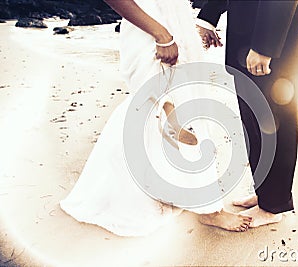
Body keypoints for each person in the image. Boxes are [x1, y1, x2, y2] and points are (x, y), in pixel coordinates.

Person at [60, 0, 252, 236]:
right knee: (160, 109)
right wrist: (161, 34)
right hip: (154, 31)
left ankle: (160, 189)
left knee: (167, 110)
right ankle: (208, 209)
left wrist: (197, 23)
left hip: (173, 25)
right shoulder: (159, 32)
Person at [197, 0, 298, 227]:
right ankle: (267, 194)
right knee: (255, 121)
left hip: (277, 42)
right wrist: (209, 16)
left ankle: (273, 206)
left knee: (275, 122)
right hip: (254, 33)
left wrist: (265, 46)